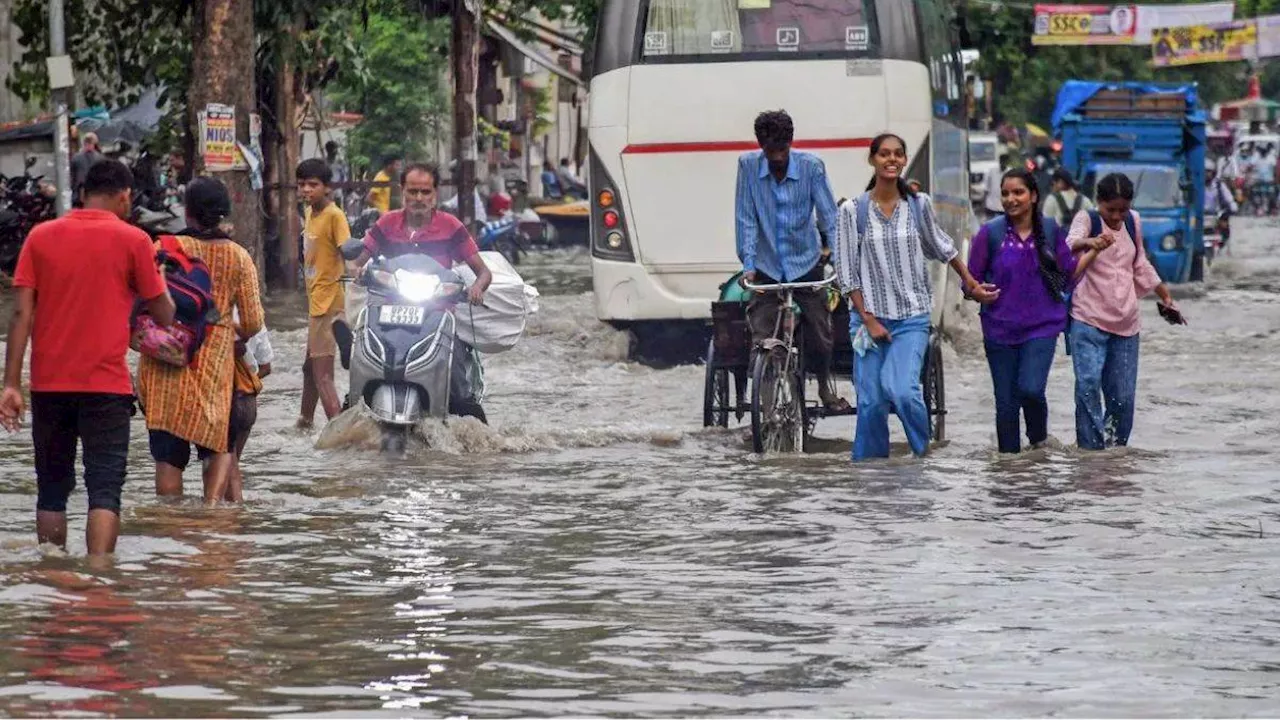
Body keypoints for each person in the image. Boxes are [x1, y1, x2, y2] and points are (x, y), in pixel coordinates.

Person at [0, 160, 174, 555]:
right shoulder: (134, 241)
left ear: (82, 193)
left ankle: (51, 576)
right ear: (126, 195)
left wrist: (11, 384)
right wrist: (154, 277)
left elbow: (21, 314)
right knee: (105, 490)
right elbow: (165, 314)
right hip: (106, 387)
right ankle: (99, 580)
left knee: (51, 491)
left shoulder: (40, 237)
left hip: (49, 386)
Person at [833, 132, 998, 460]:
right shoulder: (853, 211)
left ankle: (923, 456)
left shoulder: (918, 205)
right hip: (868, 320)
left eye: (898, 154)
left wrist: (971, 283)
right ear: (873, 160)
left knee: (903, 390)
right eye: (884, 154)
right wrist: (867, 317)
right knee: (870, 403)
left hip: (911, 317)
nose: (891, 160)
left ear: (905, 160)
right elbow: (846, 272)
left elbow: (943, 247)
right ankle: (871, 472)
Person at [137, 178, 265, 503]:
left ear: (187, 210)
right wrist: (225, 330)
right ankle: (209, 522)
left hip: (164, 360)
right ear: (224, 212)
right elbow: (252, 321)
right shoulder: (238, 257)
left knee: (168, 458)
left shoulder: (161, 248)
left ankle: (172, 531)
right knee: (216, 449)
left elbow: (139, 304)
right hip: (213, 371)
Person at [966, 168, 1105, 454]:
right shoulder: (989, 235)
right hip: (998, 330)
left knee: (1030, 389)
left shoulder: (1051, 231)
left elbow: (1068, 276)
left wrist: (1093, 252)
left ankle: (1039, 442)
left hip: (1042, 328)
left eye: (1018, 192)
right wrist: (975, 291)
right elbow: (970, 282)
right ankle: (1011, 472)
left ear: (1033, 196)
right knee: (1005, 404)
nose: (1010, 199)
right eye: (1005, 193)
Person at [347, 162, 494, 414]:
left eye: (425, 192)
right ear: (402, 191)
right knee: (360, 364)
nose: (418, 198)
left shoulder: (451, 226)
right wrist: (357, 272)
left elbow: (483, 272)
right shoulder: (387, 223)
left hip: (437, 313)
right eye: (412, 191)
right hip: (387, 313)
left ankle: (473, 432)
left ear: (435, 194)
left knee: (458, 384)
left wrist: (477, 288)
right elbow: (355, 260)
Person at [735, 109, 847, 413]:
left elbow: (829, 219)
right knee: (761, 335)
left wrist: (839, 261)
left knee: (822, 332)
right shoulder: (747, 166)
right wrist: (748, 264)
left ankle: (824, 385)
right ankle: (766, 410)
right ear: (761, 147)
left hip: (806, 262)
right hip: (767, 265)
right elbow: (746, 218)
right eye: (770, 152)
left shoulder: (811, 167)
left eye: (782, 150)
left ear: (790, 143)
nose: (777, 158)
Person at [1067, 173, 1182, 451]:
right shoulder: (1087, 219)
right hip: (1088, 318)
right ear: (1099, 203)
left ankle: (1115, 452)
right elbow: (1069, 245)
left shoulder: (1134, 221)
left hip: (1126, 322)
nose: (1117, 216)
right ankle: (1090, 452)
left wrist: (1165, 296)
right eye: (1111, 210)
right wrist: (1091, 242)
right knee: (1088, 387)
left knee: (1123, 397)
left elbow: (1139, 263)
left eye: (1122, 210)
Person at [296, 158, 349, 428]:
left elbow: (347, 250)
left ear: (327, 187)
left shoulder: (334, 215)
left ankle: (338, 432)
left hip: (327, 302)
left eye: (313, 185)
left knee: (322, 375)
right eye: (302, 184)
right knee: (309, 368)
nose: (306, 190)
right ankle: (305, 420)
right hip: (315, 299)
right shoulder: (309, 213)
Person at [226, 315, 273, 503]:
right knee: (232, 461)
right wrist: (247, 382)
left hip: (224, 397)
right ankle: (234, 513)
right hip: (247, 401)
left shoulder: (211, 309)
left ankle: (229, 518)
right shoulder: (254, 318)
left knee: (224, 463)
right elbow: (266, 367)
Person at [1206, 165, 1238, 252]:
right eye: (1205, 172)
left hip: (1216, 214)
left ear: (1213, 173)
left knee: (1225, 227)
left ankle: (1222, 245)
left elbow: (1229, 198)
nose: (1207, 174)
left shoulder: (1219, 185)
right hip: (1199, 214)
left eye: (1209, 172)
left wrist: (1233, 207)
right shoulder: (1196, 184)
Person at [70, 132, 103, 205]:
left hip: (78, 193)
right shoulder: (100, 158)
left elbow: (72, 176)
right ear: (94, 143)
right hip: (95, 192)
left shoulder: (76, 157)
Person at [984, 153, 1011, 219]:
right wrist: (984, 203)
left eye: (1005, 161)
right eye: (1002, 161)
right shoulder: (992, 171)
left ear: (1007, 162)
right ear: (999, 161)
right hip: (991, 205)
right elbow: (986, 188)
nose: (1003, 163)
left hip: (1005, 206)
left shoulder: (1010, 172)